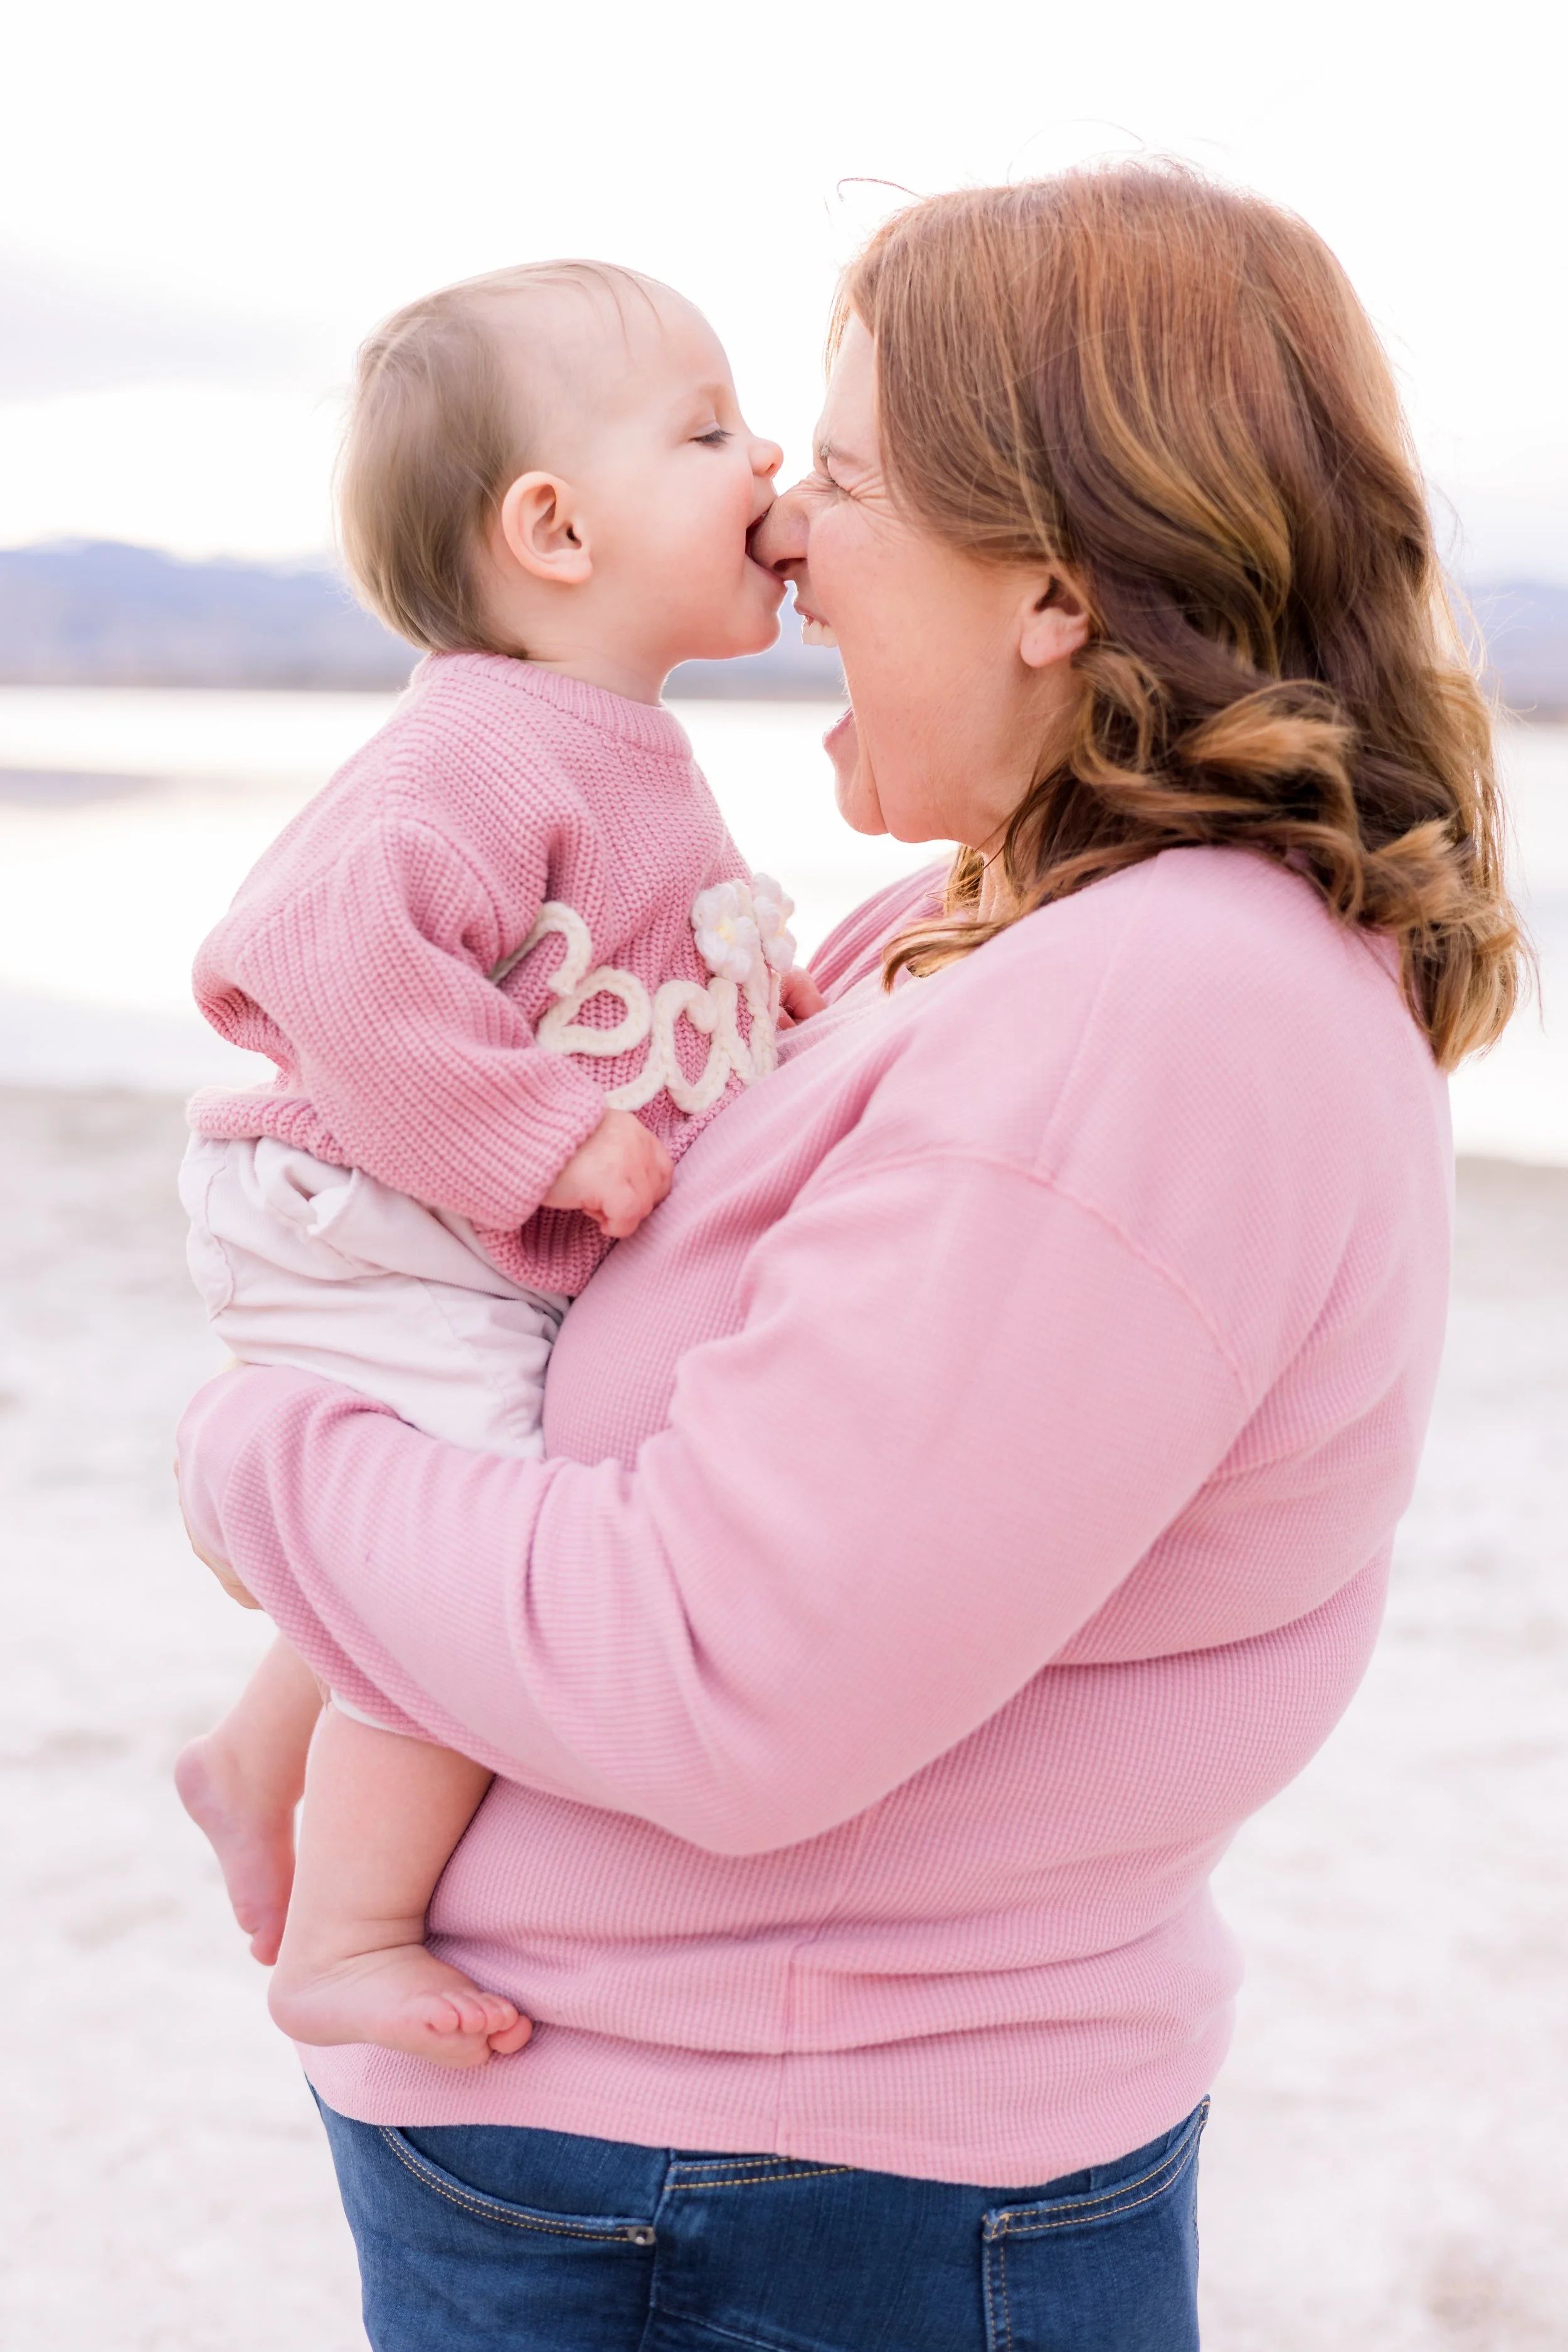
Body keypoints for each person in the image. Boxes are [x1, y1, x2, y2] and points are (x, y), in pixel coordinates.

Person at [177, 166, 1522, 2351]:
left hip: (781, 2205)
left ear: (1056, 591)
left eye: (852, 475)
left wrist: (256, 1449)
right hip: (695, 2176)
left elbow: (721, 1678)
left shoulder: (1161, 1014)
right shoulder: (967, 937)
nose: (785, 527)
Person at [174, 258, 818, 2069]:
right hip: (361, 1208)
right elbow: (317, 950)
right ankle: (348, 1930)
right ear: (552, 526)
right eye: (707, 431)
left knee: (449, 1475)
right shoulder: (480, 735)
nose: (766, 459)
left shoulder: (614, 736)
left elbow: (637, 985)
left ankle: (251, 1754)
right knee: (471, 1543)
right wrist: (542, 1135)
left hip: (411, 1215)